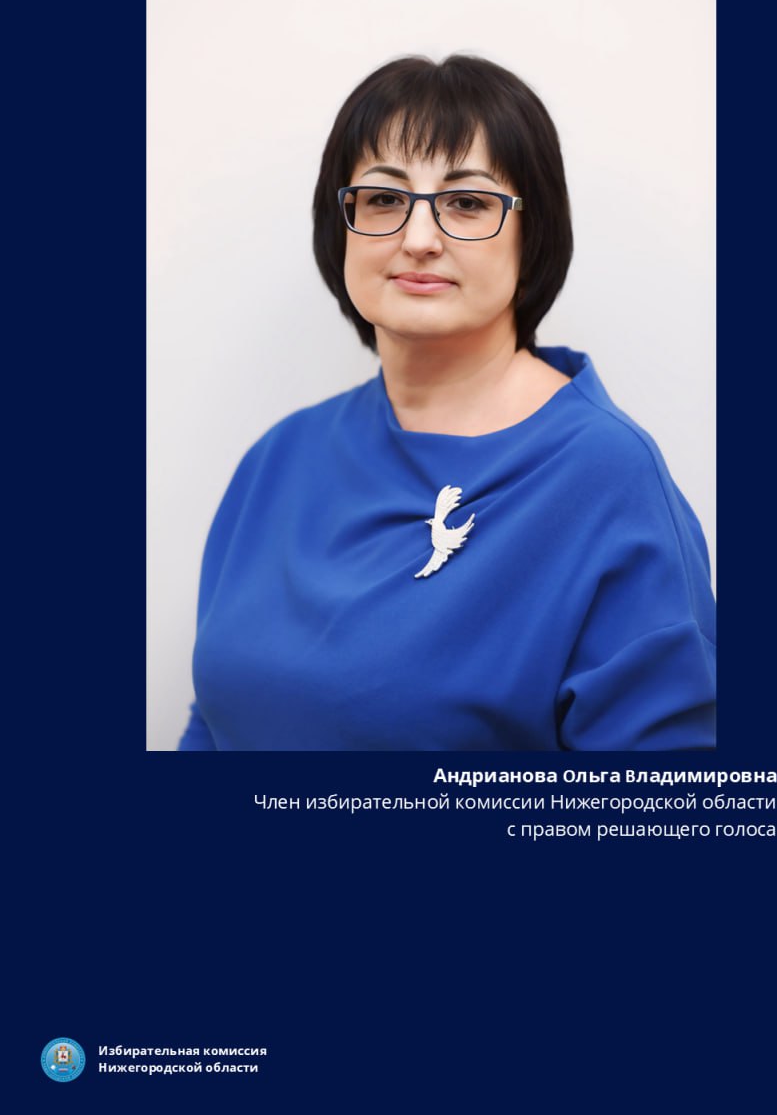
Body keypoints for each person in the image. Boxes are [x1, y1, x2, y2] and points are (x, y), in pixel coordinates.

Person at [178, 54, 715, 751]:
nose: (419, 239)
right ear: (340, 226)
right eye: (383, 199)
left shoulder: (607, 477)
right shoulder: (278, 458)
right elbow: (216, 722)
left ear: (533, 235)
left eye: (467, 203)